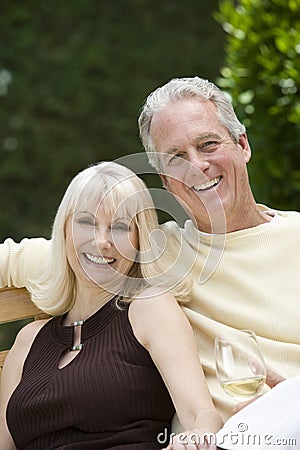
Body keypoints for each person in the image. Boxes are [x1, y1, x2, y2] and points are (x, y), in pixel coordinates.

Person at [0, 76, 299, 423]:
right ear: (163, 178)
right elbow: (24, 259)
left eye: (208, 144)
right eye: (176, 157)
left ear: (243, 145)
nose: (197, 166)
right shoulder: (148, 253)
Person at [0, 162, 223, 449]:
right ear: (65, 230)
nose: (102, 241)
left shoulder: (149, 308)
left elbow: (200, 415)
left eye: (119, 227)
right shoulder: (28, 340)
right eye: (86, 223)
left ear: (139, 239)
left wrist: (196, 438)